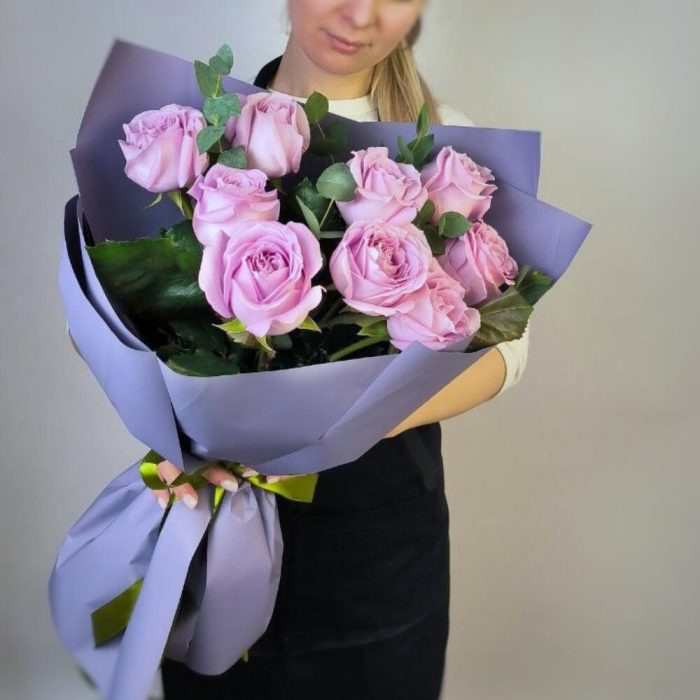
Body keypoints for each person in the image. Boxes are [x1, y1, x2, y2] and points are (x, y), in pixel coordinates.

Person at [68, 1, 529, 697]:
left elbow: (508, 349)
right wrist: (184, 428)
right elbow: (106, 318)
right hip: (210, 521)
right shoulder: (190, 130)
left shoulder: (448, 151)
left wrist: (343, 420)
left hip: (375, 553)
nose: (359, 13)